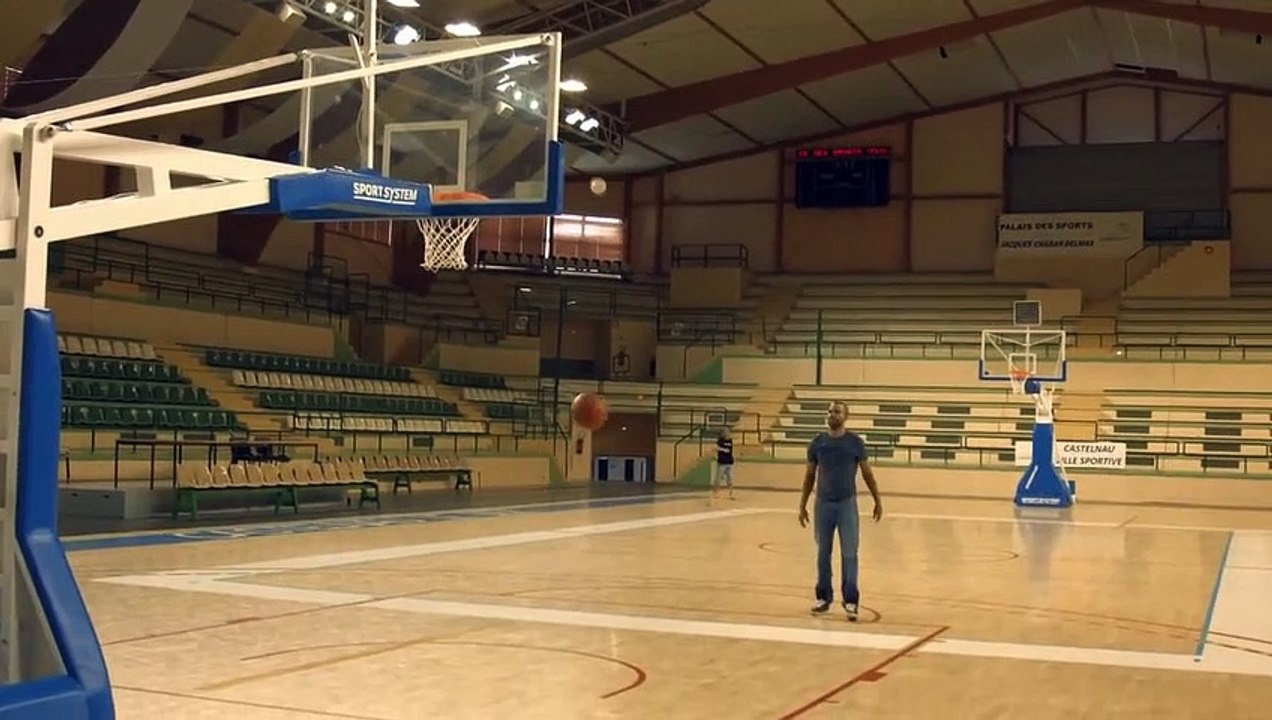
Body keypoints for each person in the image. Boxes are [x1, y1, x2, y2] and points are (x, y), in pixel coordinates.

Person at [798, 401, 882, 620]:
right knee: (822, 554)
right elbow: (809, 476)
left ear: (845, 416)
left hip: (846, 504)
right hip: (823, 504)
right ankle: (824, 597)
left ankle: (851, 600)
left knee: (849, 553)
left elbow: (867, 474)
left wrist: (877, 500)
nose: (831, 414)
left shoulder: (855, 443)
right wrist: (802, 505)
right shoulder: (817, 443)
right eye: (829, 411)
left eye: (836, 411)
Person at [712, 427, 735, 500]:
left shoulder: (730, 441)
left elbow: (730, 450)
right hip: (722, 462)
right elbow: (715, 447)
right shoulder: (720, 440)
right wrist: (723, 449)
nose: (727, 433)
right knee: (719, 478)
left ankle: (731, 493)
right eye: (726, 432)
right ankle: (716, 493)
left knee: (730, 478)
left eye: (728, 432)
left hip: (729, 462)